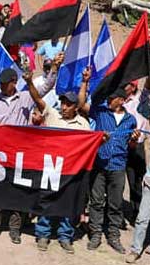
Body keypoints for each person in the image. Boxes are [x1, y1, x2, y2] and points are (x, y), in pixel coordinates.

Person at [0, 54, 62, 244]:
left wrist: (55, 68)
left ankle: (15, 228)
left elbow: (46, 87)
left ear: (14, 82)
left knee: (18, 190)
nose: (2, 86)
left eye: (5, 83)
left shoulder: (26, 97)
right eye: (0, 83)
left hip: (20, 153)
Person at [78, 68, 140, 254]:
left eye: (112, 98)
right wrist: (85, 81)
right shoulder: (101, 112)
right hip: (100, 164)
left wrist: (134, 141)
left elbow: (131, 147)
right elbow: (81, 104)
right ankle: (95, 234)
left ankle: (113, 236)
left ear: (121, 101)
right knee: (96, 202)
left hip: (118, 166)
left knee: (115, 204)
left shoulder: (130, 121)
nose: (108, 100)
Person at [28, 86, 91, 254]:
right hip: (51, 167)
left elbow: (89, 145)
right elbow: (38, 100)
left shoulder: (83, 124)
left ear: (76, 107)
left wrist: (102, 139)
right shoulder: (53, 116)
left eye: (68, 104)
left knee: (69, 202)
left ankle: (65, 236)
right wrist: (28, 82)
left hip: (71, 171)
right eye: (62, 103)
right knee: (47, 199)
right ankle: (43, 233)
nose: (63, 107)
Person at [123, 79, 150, 224]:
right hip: (125, 144)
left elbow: (147, 86)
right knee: (126, 179)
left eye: (126, 84)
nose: (124, 87)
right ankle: (129, 213)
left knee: (140, 179)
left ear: (133, 87)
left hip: (139, 144)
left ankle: (139, 211)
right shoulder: (121, 100)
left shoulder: (140, 98)